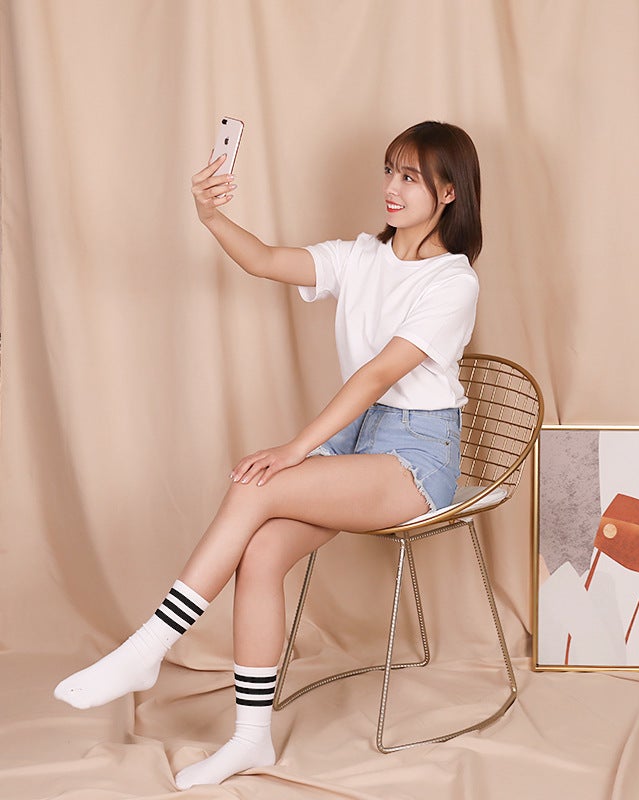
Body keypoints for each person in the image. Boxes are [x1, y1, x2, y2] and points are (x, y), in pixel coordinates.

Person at [53, 120, 482, 789]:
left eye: (410, 177)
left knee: (259, 485)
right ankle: (251, 739)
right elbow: (262, 259)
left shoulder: (453, 282)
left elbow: (376, 376)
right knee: (259, 552)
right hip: (357, 442)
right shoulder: (360, 258)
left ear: (449, 192)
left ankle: (151, 644)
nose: (391, 188)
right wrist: (209, 214)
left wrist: (296, 449)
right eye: (389, 171)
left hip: (417, 455)